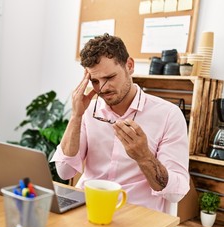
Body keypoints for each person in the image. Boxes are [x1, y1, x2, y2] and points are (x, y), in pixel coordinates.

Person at [51, 33, 190, 213]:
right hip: (89, 209)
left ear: (129, 66)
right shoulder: (88, 111)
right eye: (94, 81)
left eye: (109, 78)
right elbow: (64, 172)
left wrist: (143, 156)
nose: (102, 88)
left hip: (136, 217)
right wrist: (76, 116)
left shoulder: (168, 115)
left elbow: (176, 194)